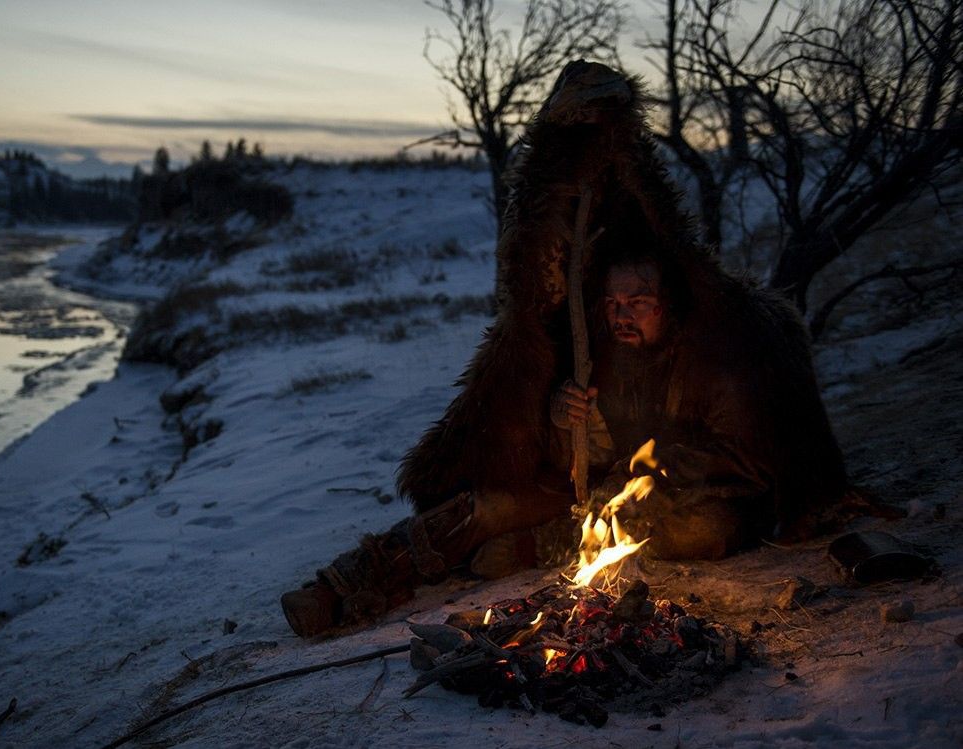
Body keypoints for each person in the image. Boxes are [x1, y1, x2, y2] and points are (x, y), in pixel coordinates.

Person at [281, 60, 848, 638]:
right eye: (612, 302)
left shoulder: (715, 352)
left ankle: (540, 545)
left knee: (708, 529)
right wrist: (560, 419)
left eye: (639, 301)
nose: (622, 313)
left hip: (674, 503)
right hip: (586, 498)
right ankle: (346, 585)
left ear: (669, 301)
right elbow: (570, 453)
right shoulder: (599, 344)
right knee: (483, 508)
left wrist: (641, 478)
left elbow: (746, 459)